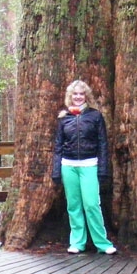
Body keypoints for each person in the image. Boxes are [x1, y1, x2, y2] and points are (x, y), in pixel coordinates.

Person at [51, 80, 117, 255]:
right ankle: (77, 242)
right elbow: (58, 145)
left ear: (86, 96)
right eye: (75, 94)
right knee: (74, 205)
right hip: (68, 165)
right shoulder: (64, 118)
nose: (78, 97)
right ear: (70, 96)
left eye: (81, 94)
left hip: (89, 164)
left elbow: (103, 144)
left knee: (91, 204)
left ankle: (102, 243)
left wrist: (103, 170)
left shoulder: (95, 116)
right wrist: (56, 170)